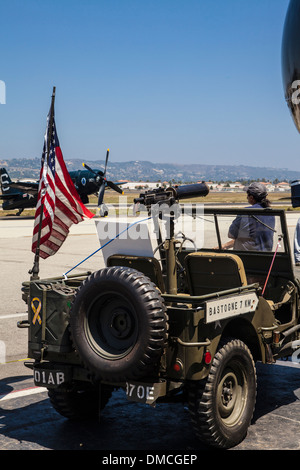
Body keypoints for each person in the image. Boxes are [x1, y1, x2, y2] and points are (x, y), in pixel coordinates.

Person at [222, 182, 275, 251]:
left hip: (247, 257)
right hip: (266, 256)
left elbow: (231, 234)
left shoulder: (246, 212)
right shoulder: (271, 213)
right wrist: (225, 245)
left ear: (251, 197)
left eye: (247, 195)